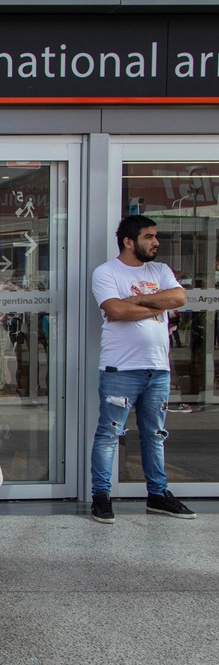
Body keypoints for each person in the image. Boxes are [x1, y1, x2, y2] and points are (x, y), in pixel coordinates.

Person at [89, 214, 196, 524]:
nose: (155, 242)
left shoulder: (160, 270)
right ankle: (101, 497)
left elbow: (178, 297)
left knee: (155, 435)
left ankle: (158, 495)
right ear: (128, 241)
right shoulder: (107, 272)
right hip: (120, 368)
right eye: (149, 237)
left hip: (157, 368)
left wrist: (140, 300)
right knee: (109, 433)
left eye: (155, 236)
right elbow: (115, 309)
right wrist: (158, 306)